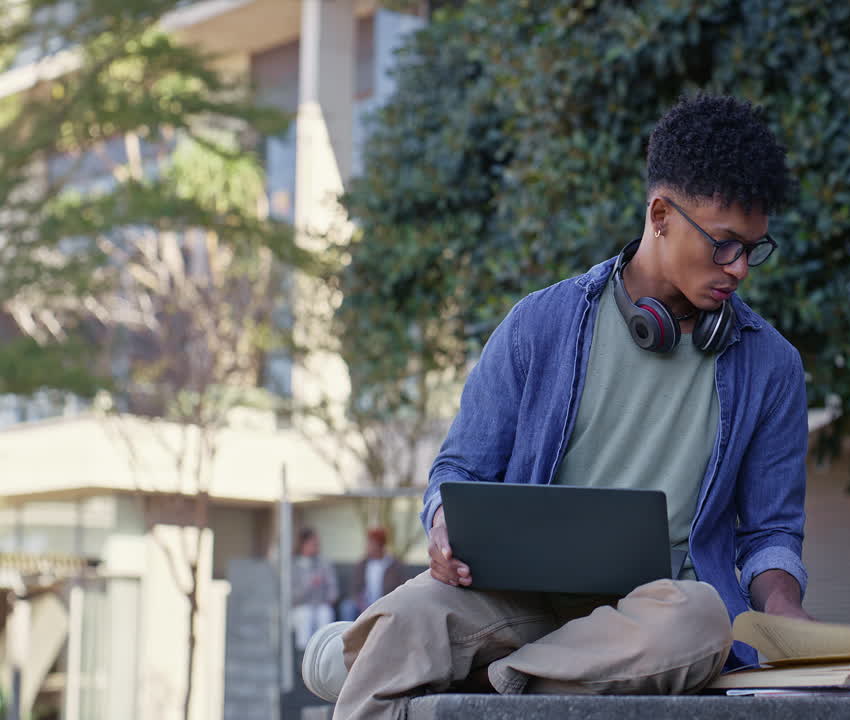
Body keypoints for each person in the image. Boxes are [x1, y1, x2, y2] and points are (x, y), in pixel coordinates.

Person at [300, 94, 812, 719]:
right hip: (516, 598)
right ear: (660, 215)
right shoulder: (540, 325)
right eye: (724, 245)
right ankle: (428, 651)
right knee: (413, 616)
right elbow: (458, 470)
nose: (739, 270)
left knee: (704, 619)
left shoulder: (773, 366)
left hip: (655, 617)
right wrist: (442, 526)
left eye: (753, 249)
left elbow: (770, 532)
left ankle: (477, 679)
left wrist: (785, 613)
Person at [339, 527, 408, 622]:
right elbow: (354, 589)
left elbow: (402, 589)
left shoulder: (395, 566)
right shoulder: (362, 564)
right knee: (347, 607)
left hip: (386, 603)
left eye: (371, 543)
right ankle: (348, 636)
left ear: (380, 545)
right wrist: (361, 603)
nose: (367, 546)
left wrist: (386, 603)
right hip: (364, 603)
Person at [291, 527, 339, 652]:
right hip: (300, 607)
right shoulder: (293, 565)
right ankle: (304, 656)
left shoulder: (324, 563)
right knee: (305, 615)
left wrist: (330, 598)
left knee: (325, 614)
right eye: (313, 544)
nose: (316, 547)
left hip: (321, 605)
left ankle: (323, 654)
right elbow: (292, 596)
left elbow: (333, 588)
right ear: (303, 545)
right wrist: (309, 584)